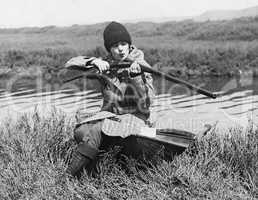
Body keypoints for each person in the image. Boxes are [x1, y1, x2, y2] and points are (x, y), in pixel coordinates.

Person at [65, 21, 155, 177]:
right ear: (109, 49)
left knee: (97, 130)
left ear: (129, 45)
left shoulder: (141, 65)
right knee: (81, 131)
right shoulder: (106, 64)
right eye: (114, 46)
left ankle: (69, 177)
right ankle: (100, 165)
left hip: (136, 119)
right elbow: (70, 64)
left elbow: (148, 102)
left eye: (123, 43)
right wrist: (93, 61)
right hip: (111, 117)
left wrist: (136, 78)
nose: (120, 49)